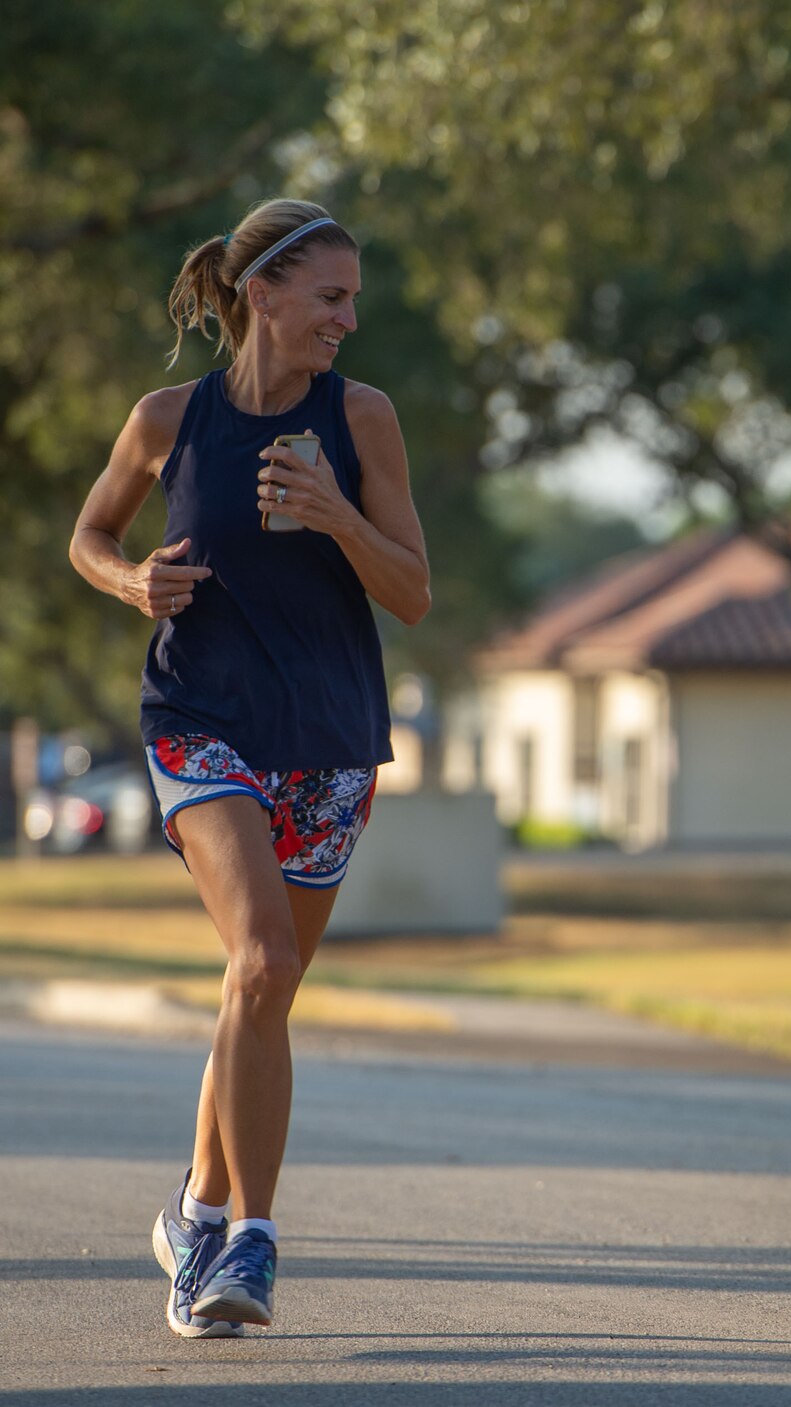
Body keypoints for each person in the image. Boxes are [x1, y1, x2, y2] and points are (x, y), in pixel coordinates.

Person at [69, 199, 429, 1338]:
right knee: (264, 960)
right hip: (199, 722)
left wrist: (333, 513)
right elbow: (89, 536)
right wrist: (131, 583)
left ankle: (195, 1204)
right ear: (260, 294)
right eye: (331, 296)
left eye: (354, 298)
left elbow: (413, 592)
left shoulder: (361, 419)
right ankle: (246, 1246)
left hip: (328, 738)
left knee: (255, 992)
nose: (349, 318)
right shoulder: (166, 419)